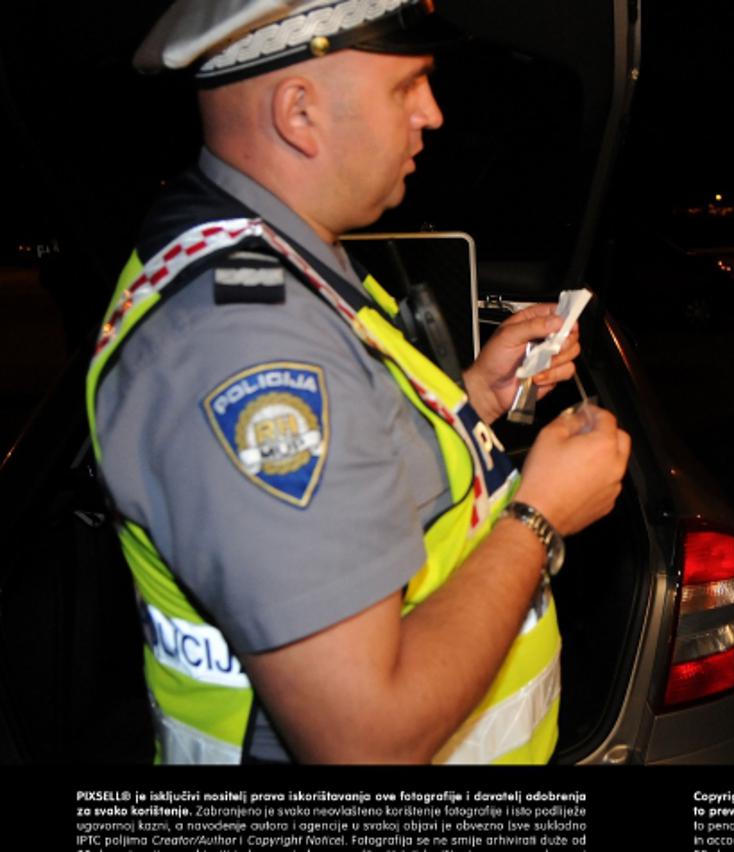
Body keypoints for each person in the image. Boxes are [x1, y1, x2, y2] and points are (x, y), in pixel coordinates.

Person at [86, 0, 630, 764]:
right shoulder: (243, 344)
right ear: (299, 112)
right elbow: (362, 739)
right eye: (407, 86)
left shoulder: (280, 256)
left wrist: (475, 395)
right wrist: (540, 520)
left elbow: (360, 450)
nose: (433, 114)